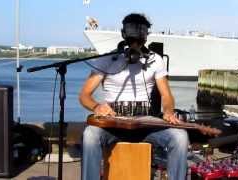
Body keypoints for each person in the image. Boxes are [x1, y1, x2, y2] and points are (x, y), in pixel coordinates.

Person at [79, 13, 189, 180]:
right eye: (132, 40)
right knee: (89, 135)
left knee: (180, 137)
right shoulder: (107, 60)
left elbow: (167, 95)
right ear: (123, 35)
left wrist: (168, 111)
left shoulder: (155, 60)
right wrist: (97, 106)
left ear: (146, 38)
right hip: (113, 123)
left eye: (139, 40)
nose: (135, 45)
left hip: (145, 123)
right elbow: (84, 95)